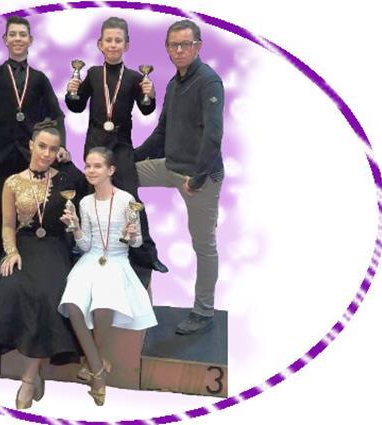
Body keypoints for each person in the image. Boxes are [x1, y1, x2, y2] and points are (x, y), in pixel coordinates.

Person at [0, 121, 81, 410]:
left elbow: (90, 183)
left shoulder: (66, 179)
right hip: (24, 245)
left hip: (54, 247)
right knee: (12, 284)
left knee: (49, 294)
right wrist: (11, 251)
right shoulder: (12, 182)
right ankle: (34, 373)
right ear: (31, 145)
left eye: (53, 149)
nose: (47, 154)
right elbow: (7, 225)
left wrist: (69, 161)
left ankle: (29, 378)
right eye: (42, 146)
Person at [134, 20, 225, 335]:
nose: (180, 50)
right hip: (171, 166)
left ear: (198, 46)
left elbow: (213, 136)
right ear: (167, 48)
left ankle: (204, 311)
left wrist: (198, 179)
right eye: (174, 45)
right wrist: (126, 158)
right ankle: (139, 248)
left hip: (201, 176)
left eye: (186, 44)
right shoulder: (174, 84)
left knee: (203, 244)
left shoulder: (209, 82)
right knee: (121, 175)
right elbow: (161, 133)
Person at [0, 16, 76, 280]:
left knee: (37, 209)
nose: (18, 38)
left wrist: (61, 145)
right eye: (13, 34)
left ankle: (32, 257)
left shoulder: (39, 79)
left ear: (30, 40)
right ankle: (0, 261)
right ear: (5, 39)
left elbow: (57, 115)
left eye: (22, 34)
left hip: (30, 156)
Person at [65, 16, 169, 275]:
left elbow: (146, 110)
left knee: (131, 196)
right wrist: (71, 92)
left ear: (126, 45)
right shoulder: (92, 74)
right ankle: (82, 246)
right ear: (100, 44)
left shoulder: (134, 77)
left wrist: (149, 95)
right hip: (96, 142)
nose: (113, 45)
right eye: (108, 40)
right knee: (90, 194)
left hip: (121, 144)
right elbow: (77, 106)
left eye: (118, 41)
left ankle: (145, 253)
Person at [58, 147, 157, 406]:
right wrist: (76, 228)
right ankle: (98, 367)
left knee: (103, 304)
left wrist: (131, 235)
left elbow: (136, 243)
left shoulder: (126, 199)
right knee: (73, 304)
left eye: (97, 166)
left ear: (111, 170)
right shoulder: (84, 202)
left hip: (116, 260)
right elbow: (85, 245)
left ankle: (94, 370)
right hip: (91, 259)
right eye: (88, 165)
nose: (91, 170)